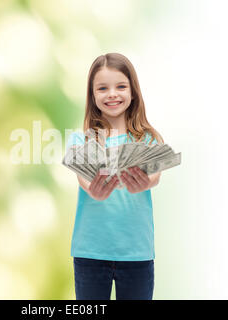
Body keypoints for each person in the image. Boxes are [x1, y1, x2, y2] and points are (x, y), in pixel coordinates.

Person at [66, 53, 164, 300]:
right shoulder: (82, 140)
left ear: (133, 93)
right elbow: (83, 180)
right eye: (102, 88)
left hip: (136, 255)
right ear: (93, 95)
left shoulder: (147, 140)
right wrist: (93, 189)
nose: (112, 94)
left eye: (121, 86)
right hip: (90, 253)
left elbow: (155, 175)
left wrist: (145, 181)